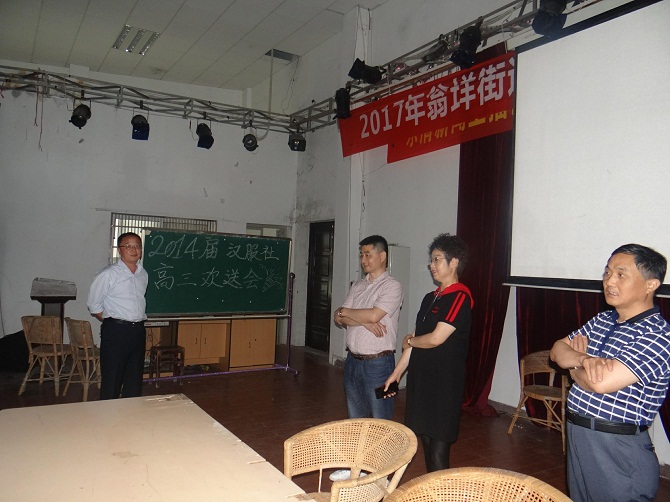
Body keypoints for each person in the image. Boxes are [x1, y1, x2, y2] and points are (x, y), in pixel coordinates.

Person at [550, 243, 670, 502]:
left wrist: (573, 368)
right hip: (580, 435)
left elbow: (601, 383)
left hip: (617, 447)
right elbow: (557, 350)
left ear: (651, 284)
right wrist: (584, 359)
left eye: (620, 274)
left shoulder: (658, 335)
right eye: (607, 273)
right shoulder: (602, 320)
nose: (609, 281)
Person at [384, 233, 473, 472]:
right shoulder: (429, 298)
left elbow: (434, 339)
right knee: (424, 442)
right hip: (422, 382)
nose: (431, 265)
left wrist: (410, 341)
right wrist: (396, 373)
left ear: (454, 262)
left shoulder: (460, 297)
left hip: (444, 385)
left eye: (437, 259)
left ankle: (441, 490)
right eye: (431, 260)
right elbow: (416, 340)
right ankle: (430, 488)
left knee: (438, 453)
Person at [330, 235, 404, 481]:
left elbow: (371, 315)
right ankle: (357, 467)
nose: (363, 259)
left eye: (368, 254)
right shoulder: (358, 286)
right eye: (361, 255)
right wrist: (364, 320)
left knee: (381, 420)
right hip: (353, 362)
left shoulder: (392, 286)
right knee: (356, 418)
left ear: (382, 256)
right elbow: (339, 317)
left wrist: (354, 314)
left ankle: (382, 472)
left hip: (381, 365)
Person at [87, 232, 149, 400]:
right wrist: (114, 321)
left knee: (134, 377)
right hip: (116, 331)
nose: (134, 249)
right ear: (119, 250)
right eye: (128, 246)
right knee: (112, 377)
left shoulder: (143, 274)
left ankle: (131, 411)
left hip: (138, 331)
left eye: (137, 246)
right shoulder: (108, 273)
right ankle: (108, 413)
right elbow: (94, 304)